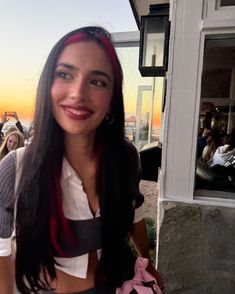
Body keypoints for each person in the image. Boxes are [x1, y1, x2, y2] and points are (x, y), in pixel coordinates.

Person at [0, 26, 164, 294]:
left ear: (112, 99)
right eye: (65, 74)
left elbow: (132, 214)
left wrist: (147, 262)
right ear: (48, 86)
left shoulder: (126, 157)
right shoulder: (17, 169)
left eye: (97, 81)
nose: (78, 92)